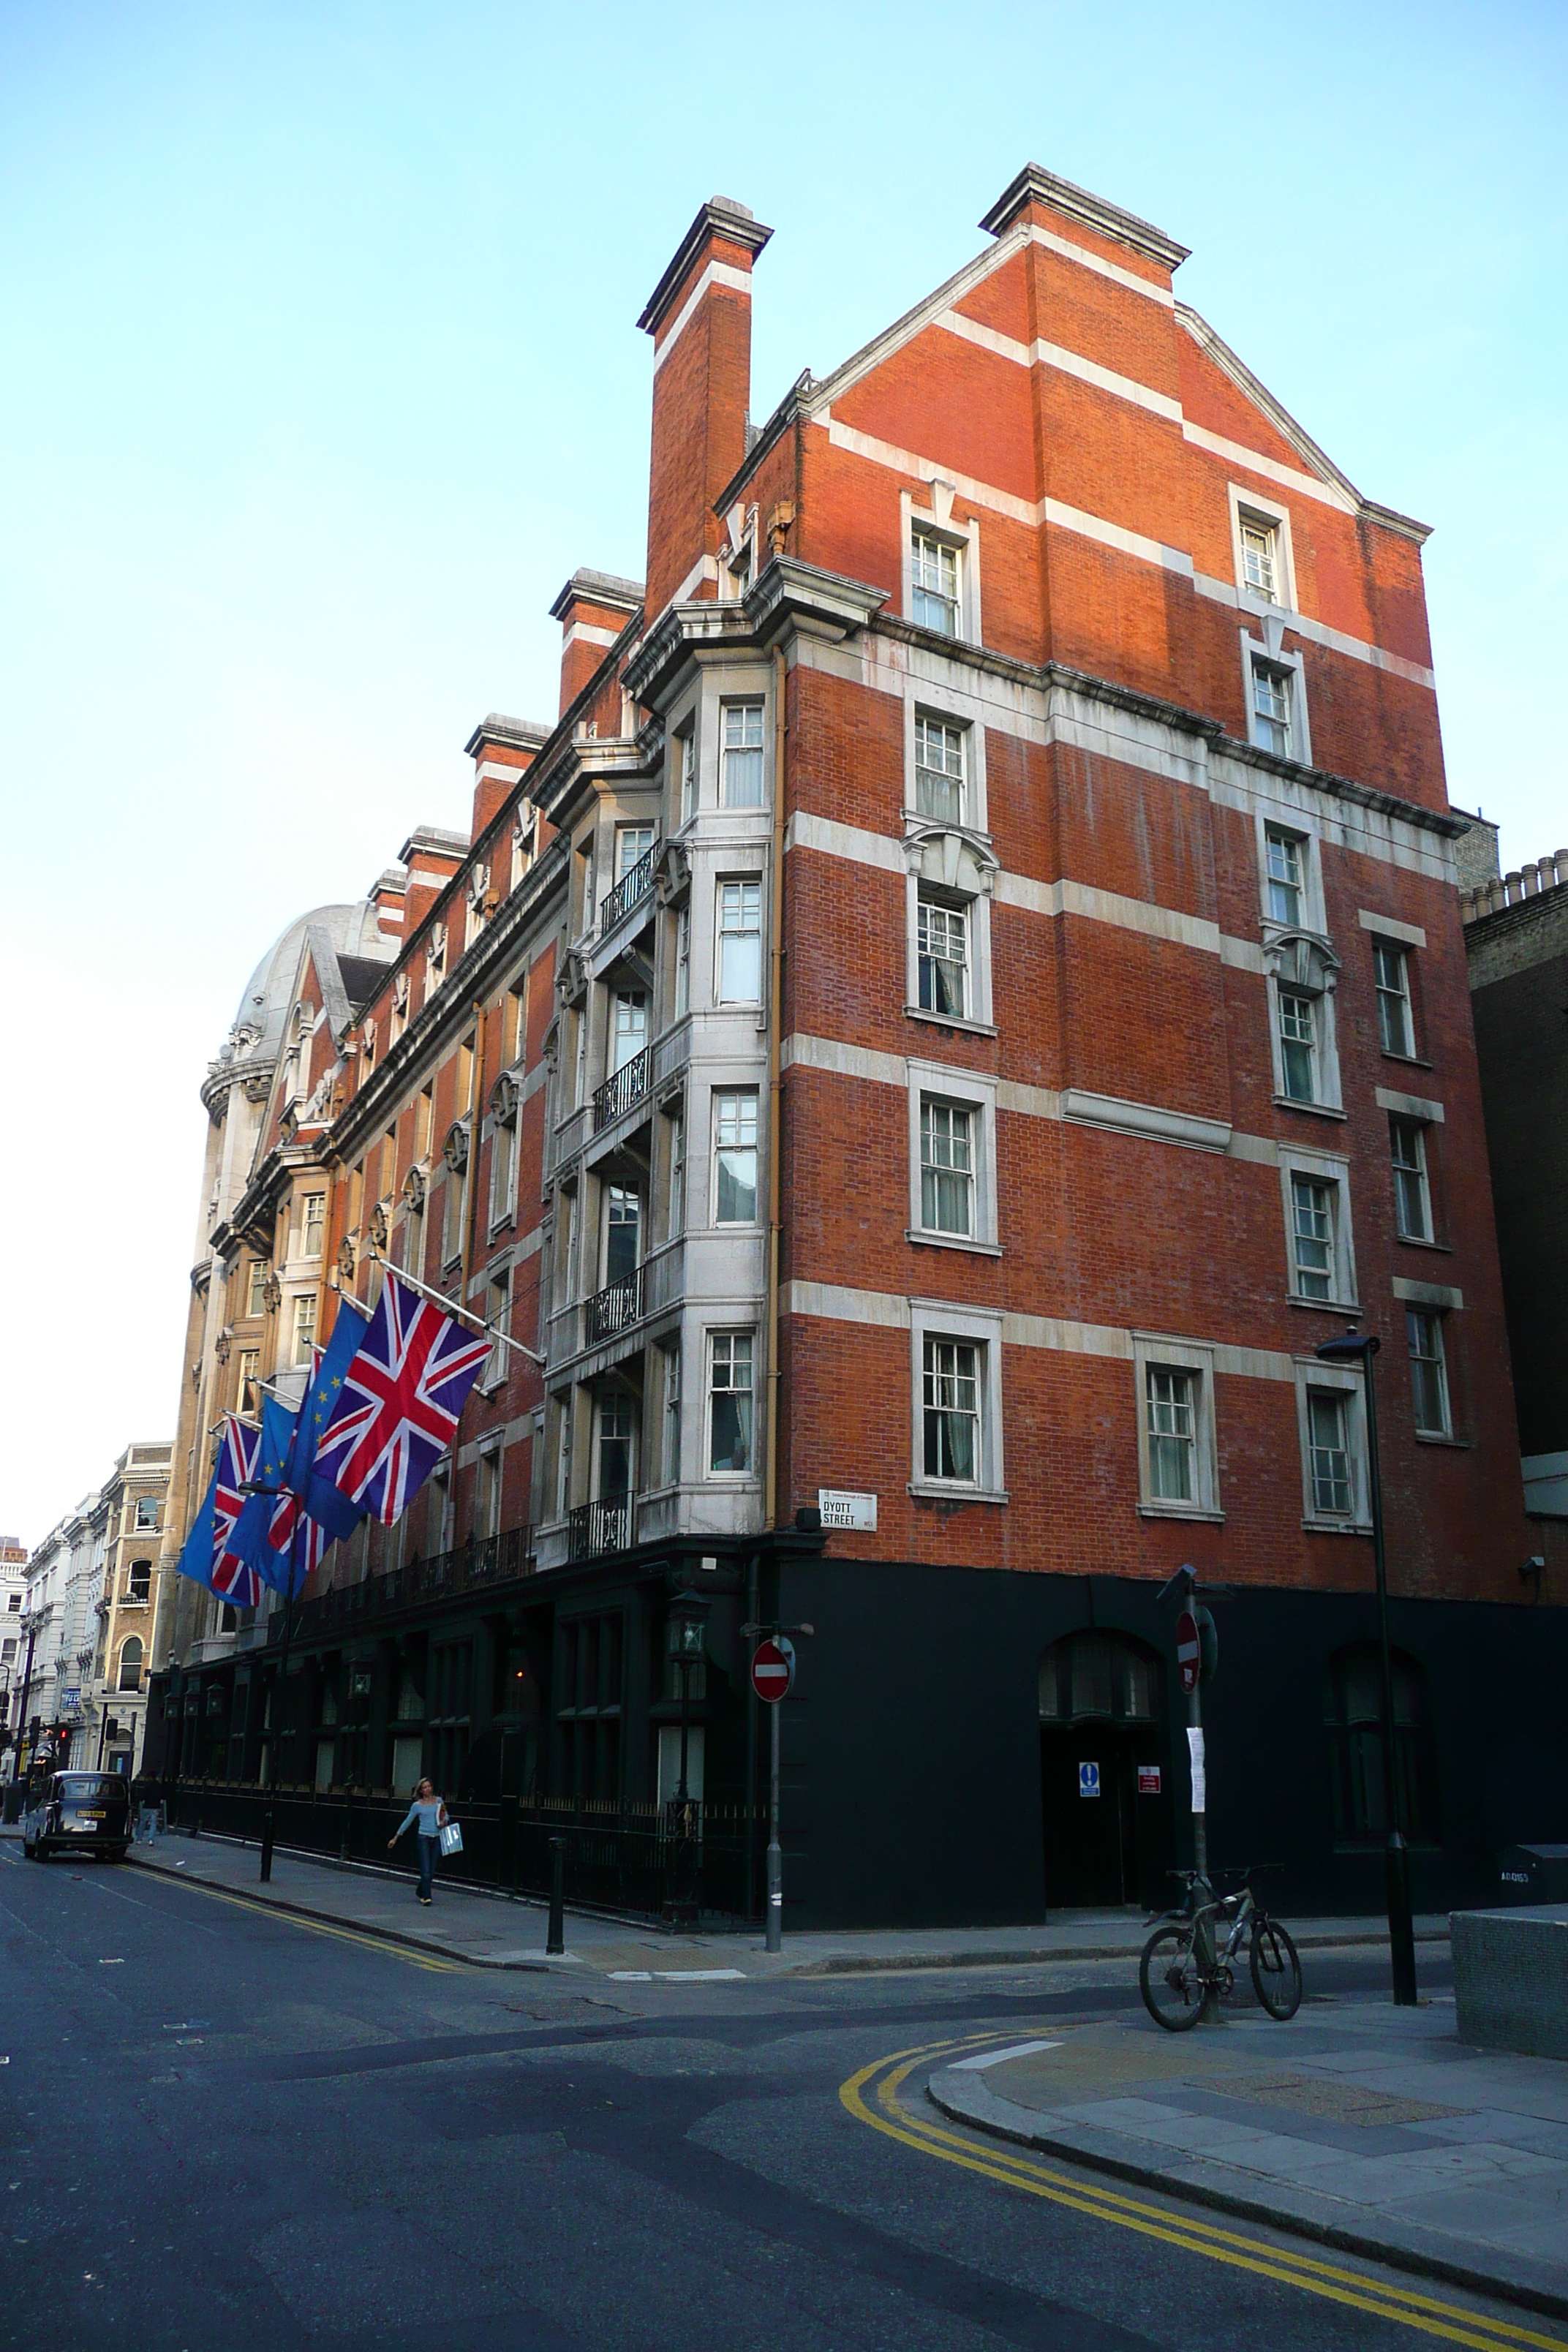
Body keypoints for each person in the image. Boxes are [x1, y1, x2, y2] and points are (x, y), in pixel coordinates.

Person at [388, 1777, 448, 1905]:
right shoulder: (417, 1806)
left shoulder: (439, 1801)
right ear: (421, 1791)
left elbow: (446, 1816)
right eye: (425, 1787)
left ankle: (420, 1890)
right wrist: (396, 1837)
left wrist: (444, 1822)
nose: (428, 1789)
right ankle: (427, 1897)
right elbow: (407, 1821)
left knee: (431, 1871)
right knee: (425, 1870)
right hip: (423, 1838)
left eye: (429, 1786)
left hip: (436, 1837)